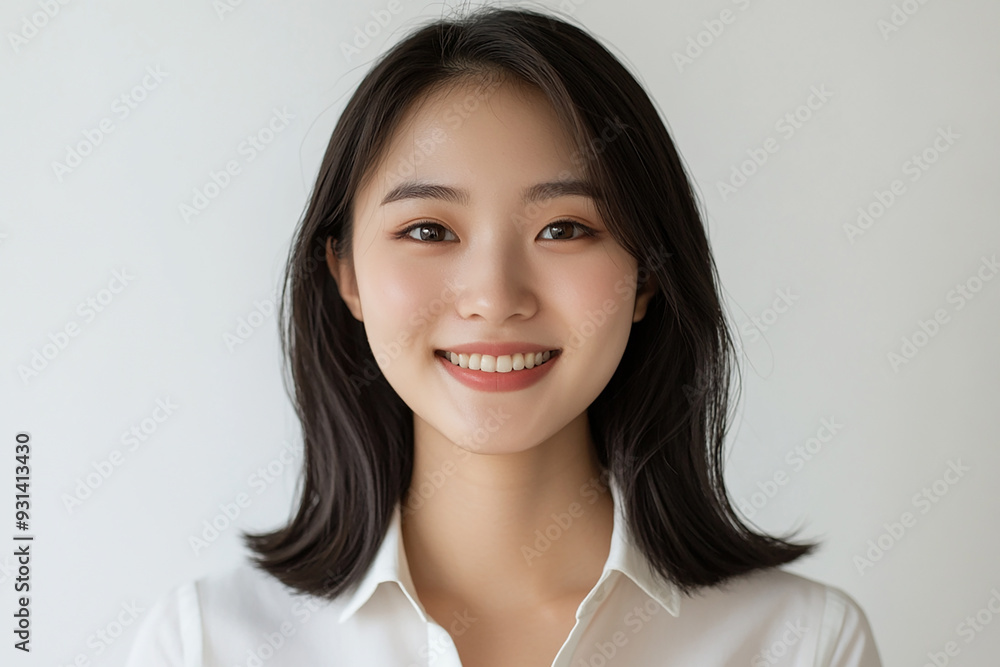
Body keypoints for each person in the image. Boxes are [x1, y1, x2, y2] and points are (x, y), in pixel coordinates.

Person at [126, 5, 883, 666]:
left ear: (648, 274)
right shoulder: (206, 645)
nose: (494, 297)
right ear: (345, 272)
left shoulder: (802, 643)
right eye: (428, 229)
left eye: (564, 228)